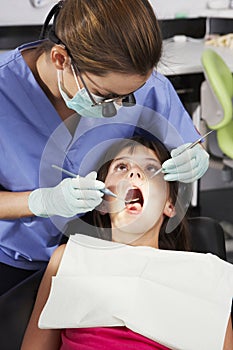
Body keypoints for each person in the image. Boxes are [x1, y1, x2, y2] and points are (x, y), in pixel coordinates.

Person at [0, 0, 209, 294]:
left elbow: (188, 141)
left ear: (170, 206)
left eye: (130, 97)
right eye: (105, 96)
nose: (119, 107)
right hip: (19, 262)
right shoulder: (4, 92)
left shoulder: (142, 84)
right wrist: (40, 201)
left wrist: (195, 154)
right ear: (61, 59)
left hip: (109, 258)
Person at [21, 136, 233, 350]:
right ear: (102, 201)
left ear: (170, 204)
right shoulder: (68, 259)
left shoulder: (206, 274)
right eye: (121, 167)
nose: (133, 173)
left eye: (151, 168)